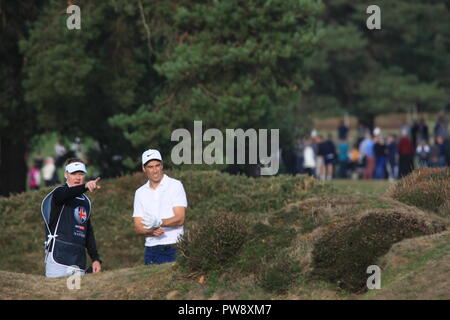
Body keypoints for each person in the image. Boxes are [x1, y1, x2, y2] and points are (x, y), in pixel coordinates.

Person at [42, 158, 102, 278]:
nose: (77, 177)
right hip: (58, 257)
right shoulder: (59, 193)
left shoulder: (86, 201)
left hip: (77, 260)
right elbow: (68, 193)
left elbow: (88, 232)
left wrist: (95, 259)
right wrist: (85, 186)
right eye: (73, 173)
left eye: (80, 174)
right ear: (65, 174)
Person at [133, 149, 188, 265]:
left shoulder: (175, 185)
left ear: (162, 165)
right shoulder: (140, 192)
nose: (155, 170)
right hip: (151, 249)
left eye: (157, 166)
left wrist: (159, 222)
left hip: (175, 245)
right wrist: (151, 231)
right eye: (150, 167)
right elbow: (137, 226)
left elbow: (180, 218)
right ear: (144, 168)